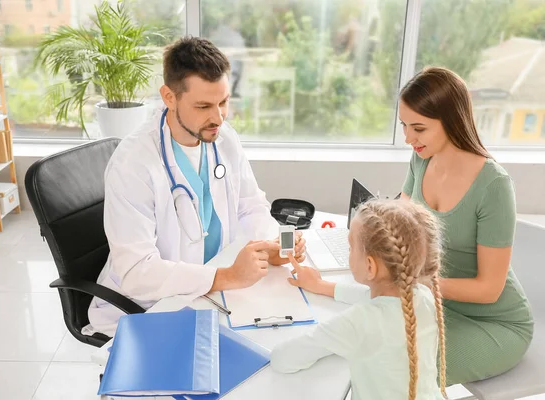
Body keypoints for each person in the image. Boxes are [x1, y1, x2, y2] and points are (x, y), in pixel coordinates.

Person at [82, 37, 306, 337]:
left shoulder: (223, 137)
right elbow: (136, 272)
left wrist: (269, 246)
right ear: (169, 97)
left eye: (223, 102)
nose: (218, 117)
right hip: (151, 305)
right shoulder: (133, 164)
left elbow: (251, 205)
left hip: (212, 288)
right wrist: (226, 276)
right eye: (203, 106)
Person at [398, 66, 533, 384]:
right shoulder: (421, 159)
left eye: (418, 128)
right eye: (404, 125)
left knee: (404, 372)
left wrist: (415, 281)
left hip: (494, 323)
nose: (407, 138)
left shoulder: (493, 185)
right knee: (368, 345)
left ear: (452, 120)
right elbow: (399, 221)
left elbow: (489, 289)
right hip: (437, 304)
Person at [271, 199, 447, 400]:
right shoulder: (423, 297)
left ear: (370, 267)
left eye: (350, 247)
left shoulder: (358, 321)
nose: (349, 252)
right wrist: (321, 286)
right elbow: (370, 298)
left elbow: (282, 359)